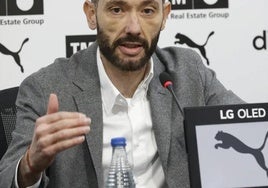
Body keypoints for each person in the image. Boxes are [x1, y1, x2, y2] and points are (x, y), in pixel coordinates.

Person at [0, 0, 244, 187]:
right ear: (92, 14)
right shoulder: (46, 87)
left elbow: (248, 124)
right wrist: (30, 166)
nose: (134, 28)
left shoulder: (188, 72)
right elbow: (7, 177)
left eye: (148, 10)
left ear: (165, 16)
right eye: (117, 9)